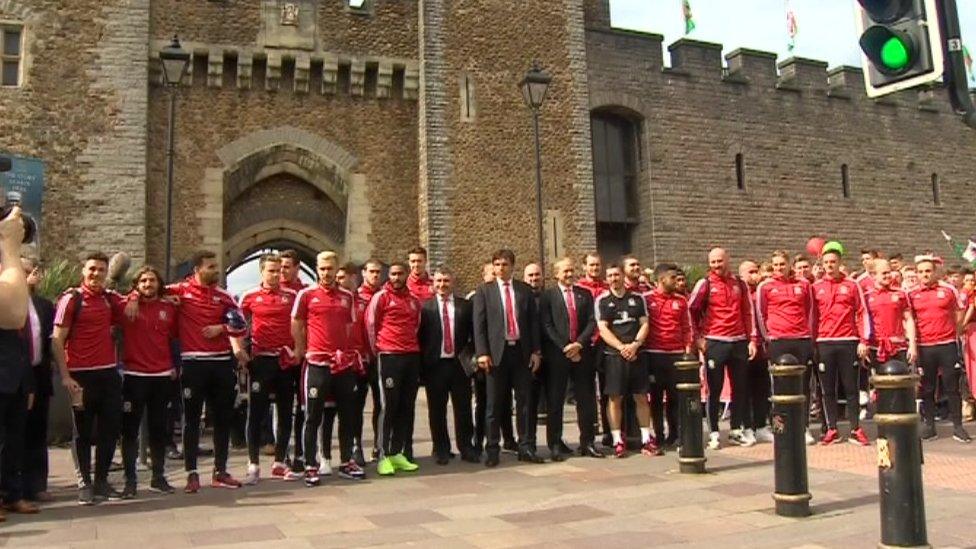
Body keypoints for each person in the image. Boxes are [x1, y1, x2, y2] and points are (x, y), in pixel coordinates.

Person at [165, 250, 248, 492]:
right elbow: (149, 292)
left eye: (216, 266)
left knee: (222, 418)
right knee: (191, 420)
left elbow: (240, 324)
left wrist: (221, 328)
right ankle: (192, 474)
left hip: (221, 363)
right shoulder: (179, 291)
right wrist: (162, 300)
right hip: (193, 363)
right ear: (197, 269)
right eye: (211, 266)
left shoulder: (225, 296)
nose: (216, 270)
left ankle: (220, 471)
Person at [53, 252, 126, 504]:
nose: (96, 274)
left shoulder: (109, 299)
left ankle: (102, 481)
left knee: (109, 430)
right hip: (80, 377)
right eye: (92, 269)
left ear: (107, 273)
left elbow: (134, 302)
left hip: (107, 374)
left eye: (101, 270)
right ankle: (84, 482)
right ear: (83, 270)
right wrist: (65, 376)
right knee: (82, 432)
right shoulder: (72, 299)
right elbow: (56, 340)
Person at [291, 251, 361, 486]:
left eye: (330, 268)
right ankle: (311, 464)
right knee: (312, 416)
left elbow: (350, 326)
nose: (326, 272)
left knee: (348, 413)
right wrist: (301, 348)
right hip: (317, 363)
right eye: (322, 268)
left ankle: (346, 461)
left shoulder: (347, 296)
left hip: (342, 364)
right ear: (317, 268)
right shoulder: (306, 294)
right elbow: (297, 322)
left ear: (336, 268)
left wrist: (347, 352)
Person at [472, 249, 542, 466]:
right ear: (493, 267)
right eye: (497, 264)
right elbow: (479, 325)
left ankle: (525, 446)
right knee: (494, 405)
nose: (501, 268)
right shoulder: (484, 291)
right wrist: (482, 352)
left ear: (512, 266)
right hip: (496, 355)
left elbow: (533, 323)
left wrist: (536, 351)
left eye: (505, 264)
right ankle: (492, 448)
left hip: (520, 352)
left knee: (524, 403)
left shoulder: (524, 290)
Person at [239, 254, 303, 484]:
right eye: (271, 271)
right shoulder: (250, 296)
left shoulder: (293, 295)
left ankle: (279, 462)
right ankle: (253, 465)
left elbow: (302, 324)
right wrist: (240, 351)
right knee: (256, 412)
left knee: (286, 411)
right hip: (261, 361)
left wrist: (299, 351)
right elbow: (236, 324)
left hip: (285, 360)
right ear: (262, 272)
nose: (277, 275)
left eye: (279, 271)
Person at [118, 266, 178, 497]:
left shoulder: (168, 308)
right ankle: (130, 480)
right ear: (136, 285)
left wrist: (173, 366)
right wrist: (132, 297)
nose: (147, 284)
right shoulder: (127, 306)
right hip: (135, 376)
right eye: (142, 281)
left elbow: (173, 338)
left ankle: (158, 476)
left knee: (159, 429)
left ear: (159, 284)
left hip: (161, 376)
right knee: (130, 431)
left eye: (152, 280)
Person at [688, 248, 757, 450]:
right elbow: (690, 311)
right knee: (714, 389)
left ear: (728, 260)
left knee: (740, 388)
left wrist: (751, 339)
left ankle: (736, 430)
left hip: (738, 342)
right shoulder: (705, 284)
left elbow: (748, 312)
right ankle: (715, 433)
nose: (717, 265)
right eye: (713, 262)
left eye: (720, 261)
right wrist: (698, 339)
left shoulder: (740, 284)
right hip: (715, 342)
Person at [540, 257, 602, 460]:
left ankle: (588, 442)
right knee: (556, 401)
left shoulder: (584, 294)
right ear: (556, 274)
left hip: (582, 354)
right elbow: (547, 325)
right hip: (558, 355)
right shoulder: (548, 296)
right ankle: (555, 443)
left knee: (586, 400)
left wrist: (579, 344)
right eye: (564, 271)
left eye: (571, 270)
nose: (569, 274)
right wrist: (565, 346)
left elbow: (592, 321)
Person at [596, 263, 659, 458]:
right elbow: (603, 328)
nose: (614, 279)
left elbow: (645, 324)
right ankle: (617, 440)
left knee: (641, 397)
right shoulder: (602, 301)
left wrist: (635, 344)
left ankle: (646, 439)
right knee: (615, 398)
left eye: (616, 274)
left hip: (637, 354)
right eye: (610, 276)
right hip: (615, 356)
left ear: (623, 276)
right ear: (606, 279)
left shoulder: (637, 299)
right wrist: (621, 347)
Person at [366, 261, 423, 475]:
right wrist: (377, 351)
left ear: (406, 275)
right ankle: (382, 454)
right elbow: (371, 325)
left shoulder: (414, 301)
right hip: (388, 356)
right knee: (387, 405)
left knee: (406, 406)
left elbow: (416, 325)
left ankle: (397, 452)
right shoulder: (380, 297)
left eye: (400, 274)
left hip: (411, 356)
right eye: (393, 274)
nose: (396, 278)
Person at [756, 250, 817, 445]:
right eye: (775, 265)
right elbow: (760, 313)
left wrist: (808, 335)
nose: (779, 268)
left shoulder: (804, 285)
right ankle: (780, 425)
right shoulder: (765, 287)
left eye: (782, 264)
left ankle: (804, 427)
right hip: (778, 340)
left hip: (801, 340)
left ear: (789, 264)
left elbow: (810, 310)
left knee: (804, 385)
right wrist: (769, 337)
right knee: (778, 386)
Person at [812, 249, 871, 446]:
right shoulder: (815, 287)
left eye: (833, 261)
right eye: (826, 262)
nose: (830, 265)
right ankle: (832, 429)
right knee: (827, 389)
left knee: (851, 387)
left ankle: (855, 428)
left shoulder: (852, 285)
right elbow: (811, 316)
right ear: (822, 264)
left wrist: (863, 340)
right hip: (824, 342)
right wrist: (813, 342)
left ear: (840, 262)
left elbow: (862, 312)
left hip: (848, 341)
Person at [418, 266, 477, 464]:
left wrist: (471, 358)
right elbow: (421, 338)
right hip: (435, 365)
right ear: (433, 284)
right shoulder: (425, 308)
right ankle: (441, 449)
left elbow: (474, 335)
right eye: (439, 281)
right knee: (437, 409)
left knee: (463, 408)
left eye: (446, 281)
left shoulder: (465, 306)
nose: (442, 285)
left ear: (453, 282)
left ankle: (466, 447)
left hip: (459, 364)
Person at [909, 259, 971, 442]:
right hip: (924, 346)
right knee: (927, 388)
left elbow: (960, 311)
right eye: (920, 272)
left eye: (928, 271)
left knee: (952, 387)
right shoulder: (911, 294)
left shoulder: (948, 290)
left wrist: (955, 332)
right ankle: (930, 426)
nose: (924, 275)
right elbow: (909, 318)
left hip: (947, 345)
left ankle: (958, 427)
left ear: (935, 272)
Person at [0, 209, 34, 520]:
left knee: (13, 441)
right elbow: (13, 315)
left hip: (15, 376)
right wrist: (9, 247)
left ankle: (12, 494)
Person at [643, 264, 692, 448]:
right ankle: (658, 434)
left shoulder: (681, 301)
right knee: (655, 397)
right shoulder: (646, 299)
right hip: (654, 354)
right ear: (662, 279)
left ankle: (675, 433)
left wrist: (687, 351)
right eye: (672, 278)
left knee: (675, 397)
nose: (676, 281)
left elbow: (687, 327)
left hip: (676, 354)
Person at [20, 257, 53, 503]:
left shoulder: (44, 305)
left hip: (39, 375)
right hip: (14, 377)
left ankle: (37, 484)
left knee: (37, 431)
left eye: (30, 271)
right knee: (12, 433)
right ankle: (12, 487)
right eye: (24, 271)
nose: (30, 275)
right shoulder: (7, 303)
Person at [278, 249, 306, 471]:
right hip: (280, 358)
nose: (282, 271)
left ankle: (301, 451)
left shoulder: (305, 292)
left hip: (302, 356)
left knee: (303, 406)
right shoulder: (272, 290)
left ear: (297, 267)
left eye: (287, 266)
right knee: (282, 406)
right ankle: (283, 451)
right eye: (280, 266)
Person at [739, 259, 770, 444]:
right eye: (750, 272)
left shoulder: (761, 293)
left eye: (756, 271)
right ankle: (746, 426)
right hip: (743, 347)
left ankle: (761, 425)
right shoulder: (741, 294)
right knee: (744, 389)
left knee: (762, 389)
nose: (755, 274)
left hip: (762, 349)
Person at [359, 258, 383, 461]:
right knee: (355, 407)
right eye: (372, 271)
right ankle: (356, 448)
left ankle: (379, 445)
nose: (375, 275)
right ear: (363, 273)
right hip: (359, 359)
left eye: (378, 272)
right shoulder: (355, 297)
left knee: (380, 404)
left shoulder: (385, 297)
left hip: (379, 359)